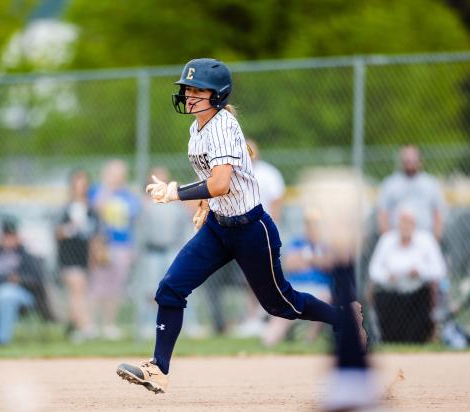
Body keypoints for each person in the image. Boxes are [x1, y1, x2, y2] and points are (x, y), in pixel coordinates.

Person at [116, 58, 365, 394]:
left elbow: (220, 183)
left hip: (251, 229)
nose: (188, 95)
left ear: (216, 94)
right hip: (219, 229)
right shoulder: (197, 128)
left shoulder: (223, 126)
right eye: (186, 88)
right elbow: (214, 182)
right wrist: (204, 204)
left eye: (197, 89)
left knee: (280, 304)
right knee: (171, 288)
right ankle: (158, 369)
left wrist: (176, 192)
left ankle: (342, 317)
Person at [233, 138, 287, 338]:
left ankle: (270, 315)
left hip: (263, 230)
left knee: (268, 274)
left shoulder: (269, 173)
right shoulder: (235, 173)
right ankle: (253, 317)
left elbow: (276, 202)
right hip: (244, 232)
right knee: (248, 277)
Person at [368, 206, 447, 343]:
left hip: (417, 295)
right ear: (397, 223)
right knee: (391, 338)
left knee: (415, 337)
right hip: (391, 294)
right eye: (402, 221)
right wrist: (387, 276)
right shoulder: (387, 240)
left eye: (409, 222)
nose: (405, 226)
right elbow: (374, 270)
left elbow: (439, 269)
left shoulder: (426, 240)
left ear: (415, 224)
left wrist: (420, 272)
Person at [135, 166, 196, 339]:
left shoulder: (174, 200)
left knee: (178, 286)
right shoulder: (145, 202)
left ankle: (188, 324)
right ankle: (148, 324)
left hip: (172, 249)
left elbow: (185, 224)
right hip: (152, 251)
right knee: (151, 289)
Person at [262, 207, 332, 346]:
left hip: (319, 289)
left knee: (323, 299)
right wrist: (315, 259)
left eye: (315, 225)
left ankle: (308, 342)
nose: (311, 228)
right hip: (296, 287)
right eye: (309, 225)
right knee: (283, 306)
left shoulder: (327, 243)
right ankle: (268, 344)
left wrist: (306, 258)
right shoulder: (297, 242)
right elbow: (290, 264)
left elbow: (329, 264)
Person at [89, 159, 140, 340]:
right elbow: (96, 207)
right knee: (98, 285)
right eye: (114, 173)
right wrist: (108, 188)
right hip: (102, 245)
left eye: (120, 174)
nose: (118, 177)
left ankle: (109, 325)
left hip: (122, 245)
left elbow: (134, 214)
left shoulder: (128, 195)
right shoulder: (97, 190)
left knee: (115, 287)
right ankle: (92, 325)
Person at [55, 169, 100, 341]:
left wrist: (95, 256)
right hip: (68, 254)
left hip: (84, 255)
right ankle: (85, 326)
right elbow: (56, 231)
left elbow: (96, 235)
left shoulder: (90, 209)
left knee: (80, 292)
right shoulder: (66, 208)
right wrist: (70, 228)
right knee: (77, 287)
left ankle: (74, 327)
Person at [376, 144, 446, 241]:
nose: (410, 164)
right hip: (397, 239)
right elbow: (382, 213)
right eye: (407, 161)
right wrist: (387, 239)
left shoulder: (430, 184)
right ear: (401, 162)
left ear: (420, 162)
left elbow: (438, 213)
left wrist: (435, 239)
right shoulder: (390, 184)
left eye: (413, 160)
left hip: (425, 237)